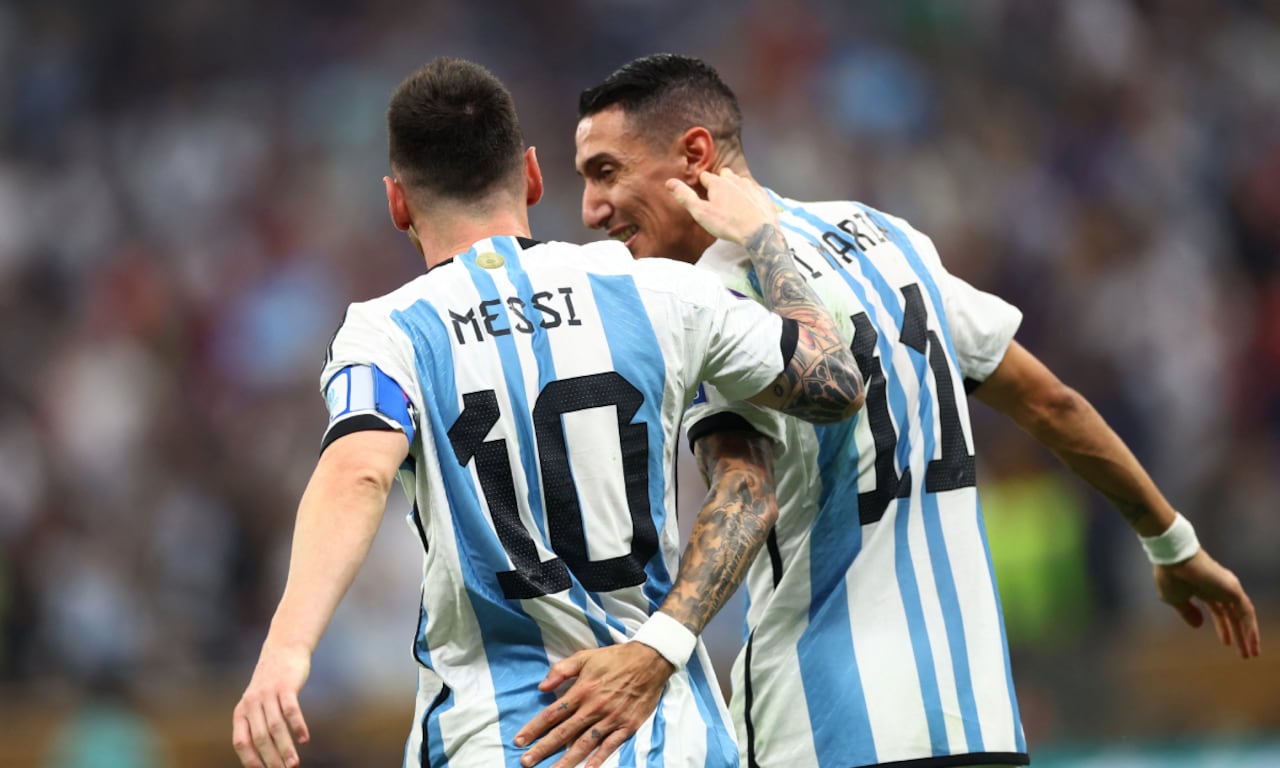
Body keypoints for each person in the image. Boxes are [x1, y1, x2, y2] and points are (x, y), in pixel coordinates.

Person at [514, 53, 1262, 768]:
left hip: (825, 721)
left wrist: (656, 650)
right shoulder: (885, 235)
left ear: (695, 153)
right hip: (974, 718)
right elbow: (1049, 400)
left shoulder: (705, 297)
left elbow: (746, 492)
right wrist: (1172, 542)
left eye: (605, 173)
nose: (590, 209)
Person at [230, 56, 865, 768]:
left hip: (500, 740)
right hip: (669, 737)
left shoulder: (388, 333)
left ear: (397, 203)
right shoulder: (657, 293)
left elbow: (357, 474)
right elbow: (836, 380)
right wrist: (765, 238)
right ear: (532, 174)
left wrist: (286, 650)